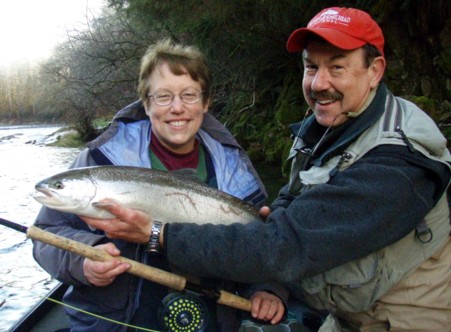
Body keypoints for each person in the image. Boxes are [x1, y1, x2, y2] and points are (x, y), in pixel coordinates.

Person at [60, 8, 451, 331]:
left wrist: (157, 234)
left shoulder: (399, 162)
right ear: (145, 103)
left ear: (375, 70)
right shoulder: (325, 130)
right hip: (348, 311)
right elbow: (286, 208)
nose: (319, 83)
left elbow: (286, 246)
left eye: (337, 67)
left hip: (405, 316)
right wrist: (83, 259)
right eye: (311, 67)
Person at [32, 39, 288, 332]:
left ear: (206, 103)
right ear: (146, 102)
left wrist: (267, 287)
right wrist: (84, 262)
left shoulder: (238, 176)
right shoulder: (96, 160)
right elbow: (44, 236)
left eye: (189, 95)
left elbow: (265, 248)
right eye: (163, 96)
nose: (177, 108)